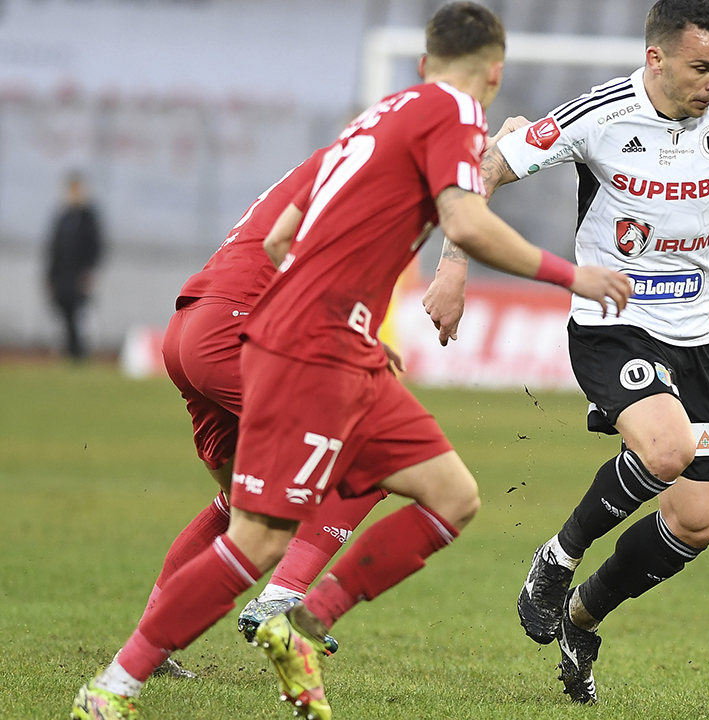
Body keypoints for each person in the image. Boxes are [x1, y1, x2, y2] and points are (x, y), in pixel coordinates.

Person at [71, 4, 632, 719]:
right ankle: (118, 684)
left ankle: (298, 623)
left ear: (423, 61)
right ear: (495, 72)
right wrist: (569, 275)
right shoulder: (456, 113)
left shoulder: (377, 118)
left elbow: (280, 238)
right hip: (309, 348)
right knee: (260, 532)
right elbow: (463, 221)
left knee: (451, 493)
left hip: (314, 340)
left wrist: (349, 317)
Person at [424, 0, 709, 703]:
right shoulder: (599, 115)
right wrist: (454, 265)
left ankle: (580, 616)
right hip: (612, 321)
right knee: (665, 450)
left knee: (697, 522)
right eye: (702, 67)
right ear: (656, 58)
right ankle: (555, 558)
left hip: (697, 337)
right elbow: (488, 166)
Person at [46, 172, 102, 360]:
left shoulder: (89, 218)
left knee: (80, 315)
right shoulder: (63, 217)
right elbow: (53, 248)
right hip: (63, 276)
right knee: (64, 313)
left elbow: (96, 247)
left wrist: (89, 271)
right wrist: (50, 276)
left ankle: (79, 353)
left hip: (79, 276)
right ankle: (70, 351)